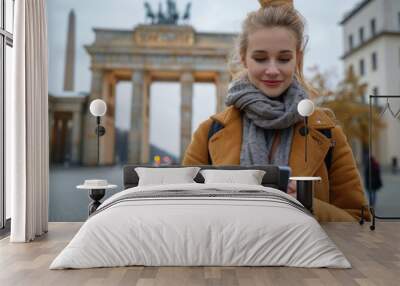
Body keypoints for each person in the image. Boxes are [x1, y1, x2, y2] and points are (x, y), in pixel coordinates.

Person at [182, 0, 370, 222]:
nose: (272, 70)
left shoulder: (329, 135)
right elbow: (184, 214)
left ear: (297, 59)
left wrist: (307, 205)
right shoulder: (209, 133)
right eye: (260, 58)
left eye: (284, 58)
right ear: (244, 58)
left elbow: (360, 223)